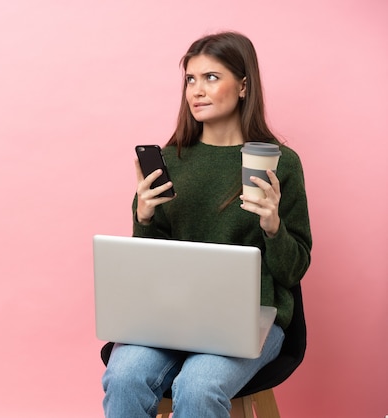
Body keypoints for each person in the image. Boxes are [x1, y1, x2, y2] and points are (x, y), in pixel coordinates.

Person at [101, 31, 312, 418]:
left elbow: (294, 269)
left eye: (211, 77)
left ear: (244, 85)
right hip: (170, 317)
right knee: (124, 377)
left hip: (251, 319)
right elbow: (150, 266)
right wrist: (144, 218)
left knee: (199, 387)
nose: (196, 90)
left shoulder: (282, 163)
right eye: (190, 79)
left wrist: (272, 227)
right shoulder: (170, 160)